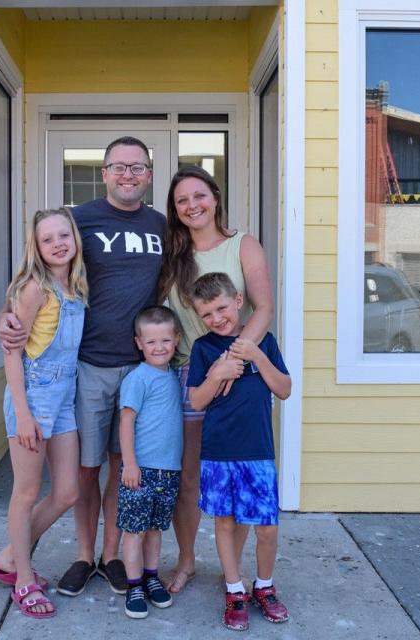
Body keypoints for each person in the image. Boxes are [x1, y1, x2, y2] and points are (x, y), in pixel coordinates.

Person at [0, 137, 165, 597]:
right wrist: (7, 319)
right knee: (84, 472)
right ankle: (82, 555)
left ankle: (111, 556)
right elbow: (29, 284)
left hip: (137, 368)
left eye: (137, 167)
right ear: (105, 173)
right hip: (86, 367)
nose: (128, 174)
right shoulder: (80, 220)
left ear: (148, 174)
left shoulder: (161, 226)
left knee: (120, 463)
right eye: (118, 166)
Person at [157, 165, 274, 594]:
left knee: (238, 472)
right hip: (190, 374)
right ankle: (186, 562)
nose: (192, 206)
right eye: (182, 201)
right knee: (189, 475)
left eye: (198, 196)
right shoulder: (172, 255)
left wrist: (235, 359)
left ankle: (234, 573)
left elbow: (263, 308)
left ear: (215, 197)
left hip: (240, 373)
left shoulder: (243, 246)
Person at [0, 208, 87, 619]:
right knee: (25, 493)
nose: (58, 243)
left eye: (64, 235)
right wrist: (24, 415)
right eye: (48, 239)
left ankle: (10, 555)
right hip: (34, 396)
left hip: (65, 399)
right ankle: (23, 579)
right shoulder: (34, 289)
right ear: (37, 247)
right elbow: (12, 353)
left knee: (67, 492)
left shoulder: (76, 286)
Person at [186, 272, 291, 631]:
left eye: (221, 308)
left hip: (258, 450)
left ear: (238, 302)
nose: (216, 319)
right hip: (218, 452)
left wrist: (256, 356)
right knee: (226, 522)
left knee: (266, 528)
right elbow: (197, 401)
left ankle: (264, 586)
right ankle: (234, 590)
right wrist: (217, 374)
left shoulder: (265, 342)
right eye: (207, 314)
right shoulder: (203, 349)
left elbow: (285, 389)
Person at [116, 306, 183, 619]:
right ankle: (133, 585)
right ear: (139, 343)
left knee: (156, 528)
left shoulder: (172, 375)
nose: (159, 347)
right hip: (140, 471)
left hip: (168, 470)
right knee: (135, 530)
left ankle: (151, 575)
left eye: (166, 341)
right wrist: (130, 464)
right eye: (152, 342)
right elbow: (126, 421)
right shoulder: (138, 379)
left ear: (176, 340)